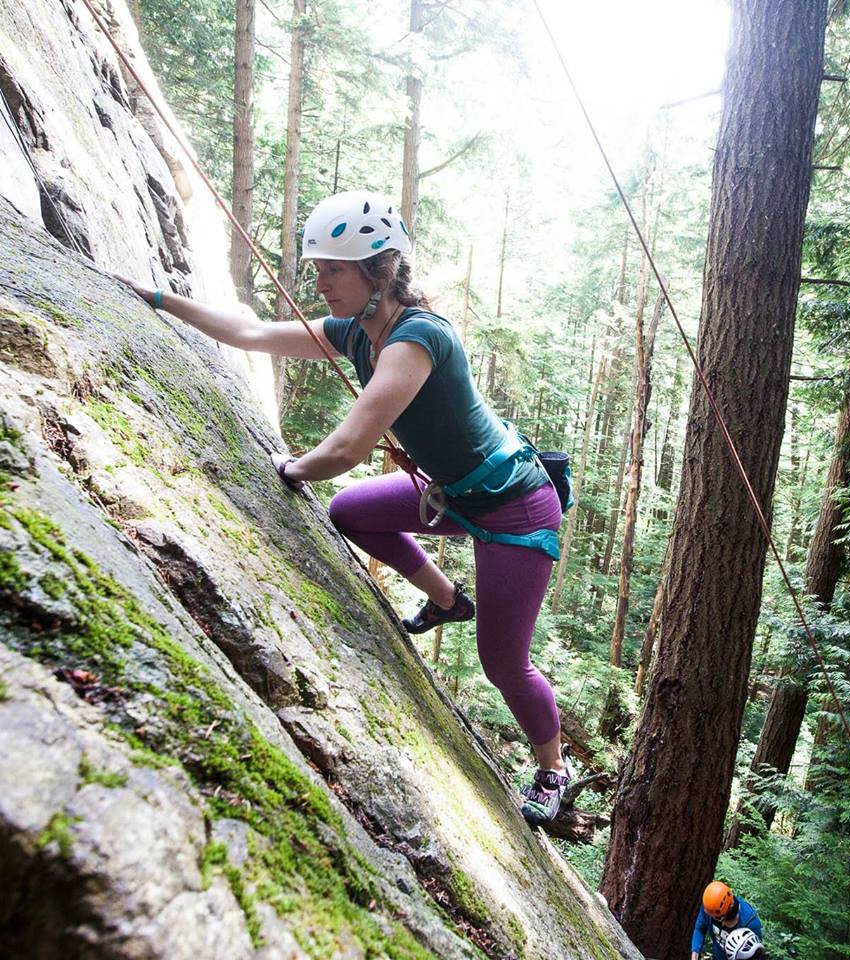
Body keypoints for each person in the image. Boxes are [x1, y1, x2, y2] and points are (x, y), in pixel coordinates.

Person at [116, 190, 572, 825]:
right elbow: (250, 332)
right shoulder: (355, 332)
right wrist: (159, 299)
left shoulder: (417, 340)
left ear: (377, 272)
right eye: (319, 266)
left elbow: (351, 445)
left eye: (334, 267)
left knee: (503, 663)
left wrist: (290, 468)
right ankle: (447, 601)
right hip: (455, 492)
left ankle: (553, 769)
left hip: (516, 513)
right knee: (351, 513)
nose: (320, 280)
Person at [691, 881, 763, 960]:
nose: (705, 912)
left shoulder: (751, 923)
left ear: (722, 919)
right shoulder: (711, 906)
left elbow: (755, 954)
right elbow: (700, 929)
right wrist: (695, 955)